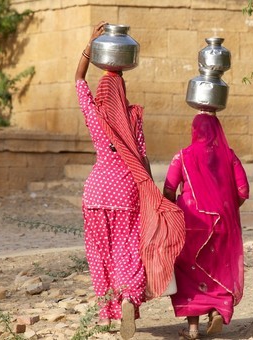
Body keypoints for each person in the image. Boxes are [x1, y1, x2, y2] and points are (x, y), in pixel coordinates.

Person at [75, 21, 185, 339]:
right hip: (126, 189)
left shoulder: (94, 114)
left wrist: (89, 45)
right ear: (122, 94)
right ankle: (127, 297)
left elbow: (79, 79)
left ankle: (107, 311)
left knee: (100, 252)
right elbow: (143, 157)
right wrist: (151, 193)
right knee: (127, 249)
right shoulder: (133, 116)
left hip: (95, 191)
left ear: (101, 95)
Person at [163, 112, 249, 339]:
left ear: (195, 131)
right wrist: (227, 209)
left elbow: (169, 190)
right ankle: (217, 309)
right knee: (219, 266)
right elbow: (243, 192)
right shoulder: (229, 156)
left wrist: (174, 209)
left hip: (191, 222)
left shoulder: (182, 156)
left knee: (188, 270)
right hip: (222, 222)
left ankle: (192, 328)